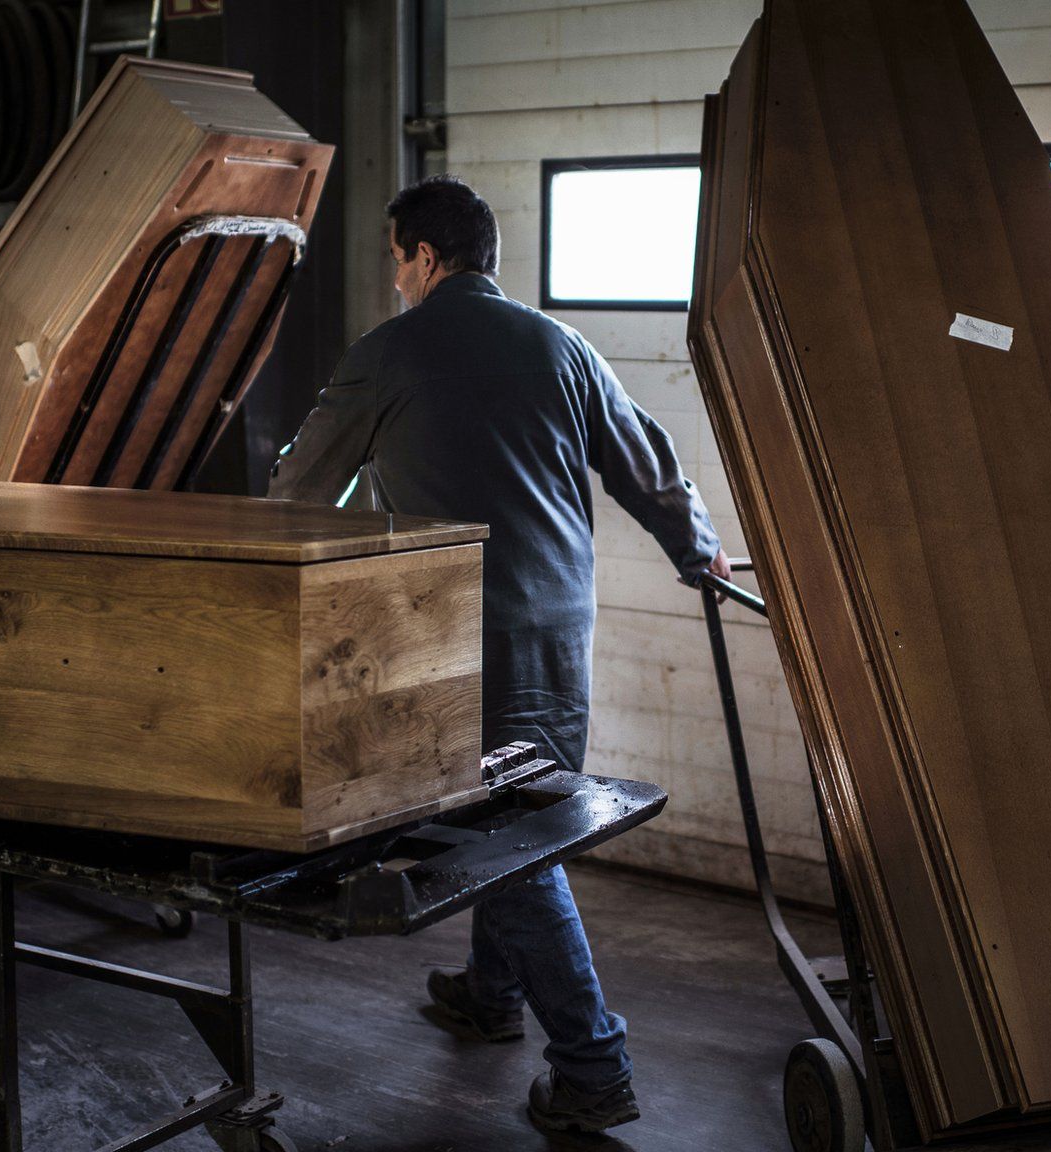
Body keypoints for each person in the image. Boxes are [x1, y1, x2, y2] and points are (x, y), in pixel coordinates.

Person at [268, 174, 730, 1134]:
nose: (395, 280)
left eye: (397, 260)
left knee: (504, 842)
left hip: (459, 645)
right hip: (561, 637)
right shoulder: (560, 347)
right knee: (515, 819)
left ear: (425, 258)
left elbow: (297, 492)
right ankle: (489, 996)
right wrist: (699, 552)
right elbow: (644, 460)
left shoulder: (387, 356)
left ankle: (593, 1067)